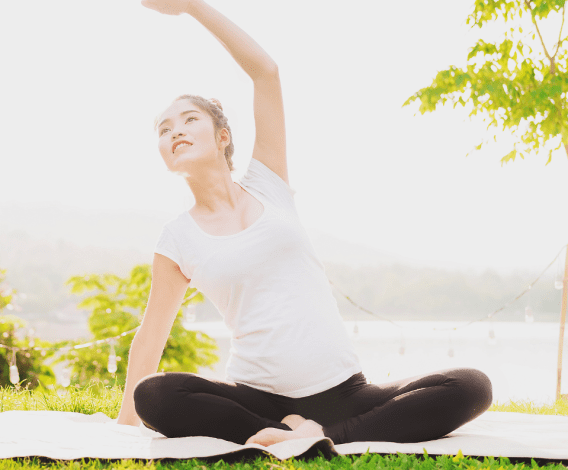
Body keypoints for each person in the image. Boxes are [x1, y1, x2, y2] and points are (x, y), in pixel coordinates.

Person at [116, 0, 494, 447]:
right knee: (154, 395)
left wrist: (192, 7)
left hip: (344, 393)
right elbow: (152, 332)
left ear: (222, 137)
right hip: (254, 398)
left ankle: (320, 435)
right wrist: (126, 424)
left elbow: (266, 73)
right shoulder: (177, 238)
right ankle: (276, 432)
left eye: (189, 119)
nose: (174, 130)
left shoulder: (267, 183)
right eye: (164, 129)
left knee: (470, 385)